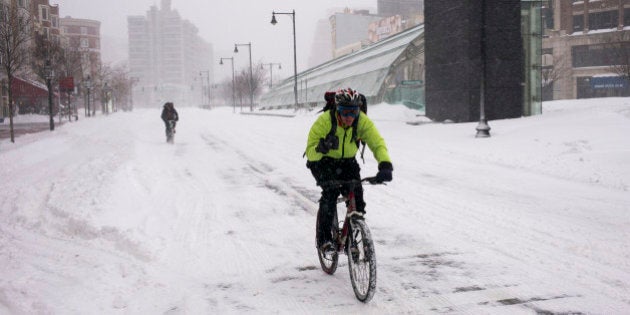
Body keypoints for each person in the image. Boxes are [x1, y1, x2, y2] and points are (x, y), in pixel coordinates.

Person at [305, 88, 393, 253]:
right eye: (344, 112)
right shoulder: (325, 121)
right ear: (337, 110)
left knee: (356, 195)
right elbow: (309, 151)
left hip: (347, 161)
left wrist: (385, 164)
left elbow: (377, 142)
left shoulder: (361, 121)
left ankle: (354, 232)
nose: (349, 117)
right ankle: (324, 240)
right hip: (323, 161)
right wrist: (321, 147)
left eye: (353, 112)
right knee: (330, 193)